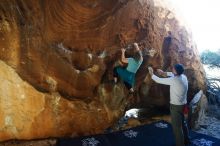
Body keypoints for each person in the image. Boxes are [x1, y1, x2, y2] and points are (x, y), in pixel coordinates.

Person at [148, 64, 190, 146]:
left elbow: (158, 80)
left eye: (173, 69)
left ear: (176, 71)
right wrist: (163, 73)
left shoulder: (174, 80)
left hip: (176, 106)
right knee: (183, 123)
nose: (172, 69)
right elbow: (171, 74)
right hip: (184, 104)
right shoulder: (183, 77)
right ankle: (187, 140)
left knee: (177, 128)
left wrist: (151, 74)